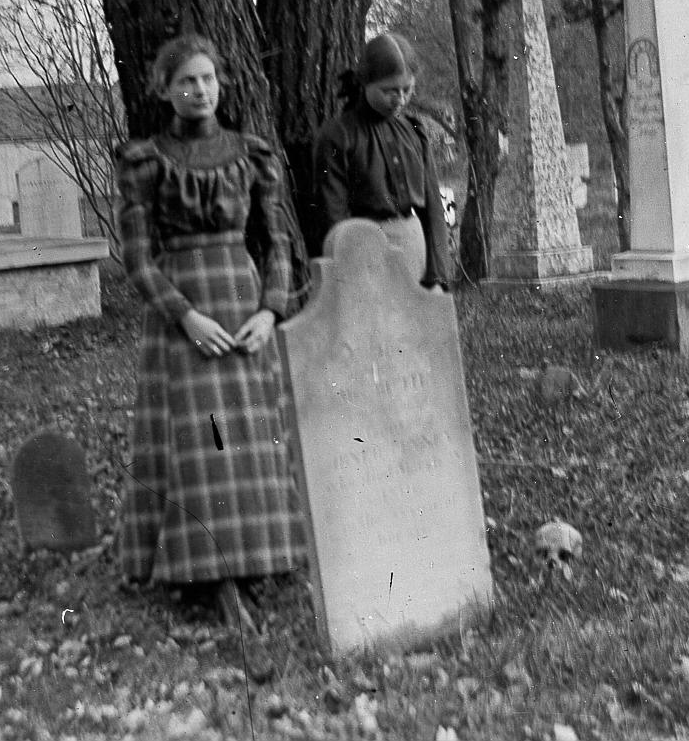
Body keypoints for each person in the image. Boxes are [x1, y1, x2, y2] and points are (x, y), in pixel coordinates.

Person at [114, 33, 304, 639]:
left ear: (221, 83)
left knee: (247, 437)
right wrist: (186, 317)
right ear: (165, 91)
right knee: (203, 443)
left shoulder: (252, 155)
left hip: (243, 303)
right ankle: (207, 574)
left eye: (208, 79)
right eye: (186, 82)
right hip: (185, 316)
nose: (199, 91)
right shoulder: (147, 161)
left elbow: (275, 242)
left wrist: (272, 310)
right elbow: (137, 260)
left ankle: (255, 560)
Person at [312, 32, 452, 288]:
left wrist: (438, 276)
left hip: (414, 251)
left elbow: (433, 210)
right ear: (365, 83)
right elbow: (332, 216)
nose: (400, 99)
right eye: (389, 91)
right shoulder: (338, 136)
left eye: (407, 90)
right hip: (364, 254)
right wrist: (352, 272)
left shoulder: (414, 132)